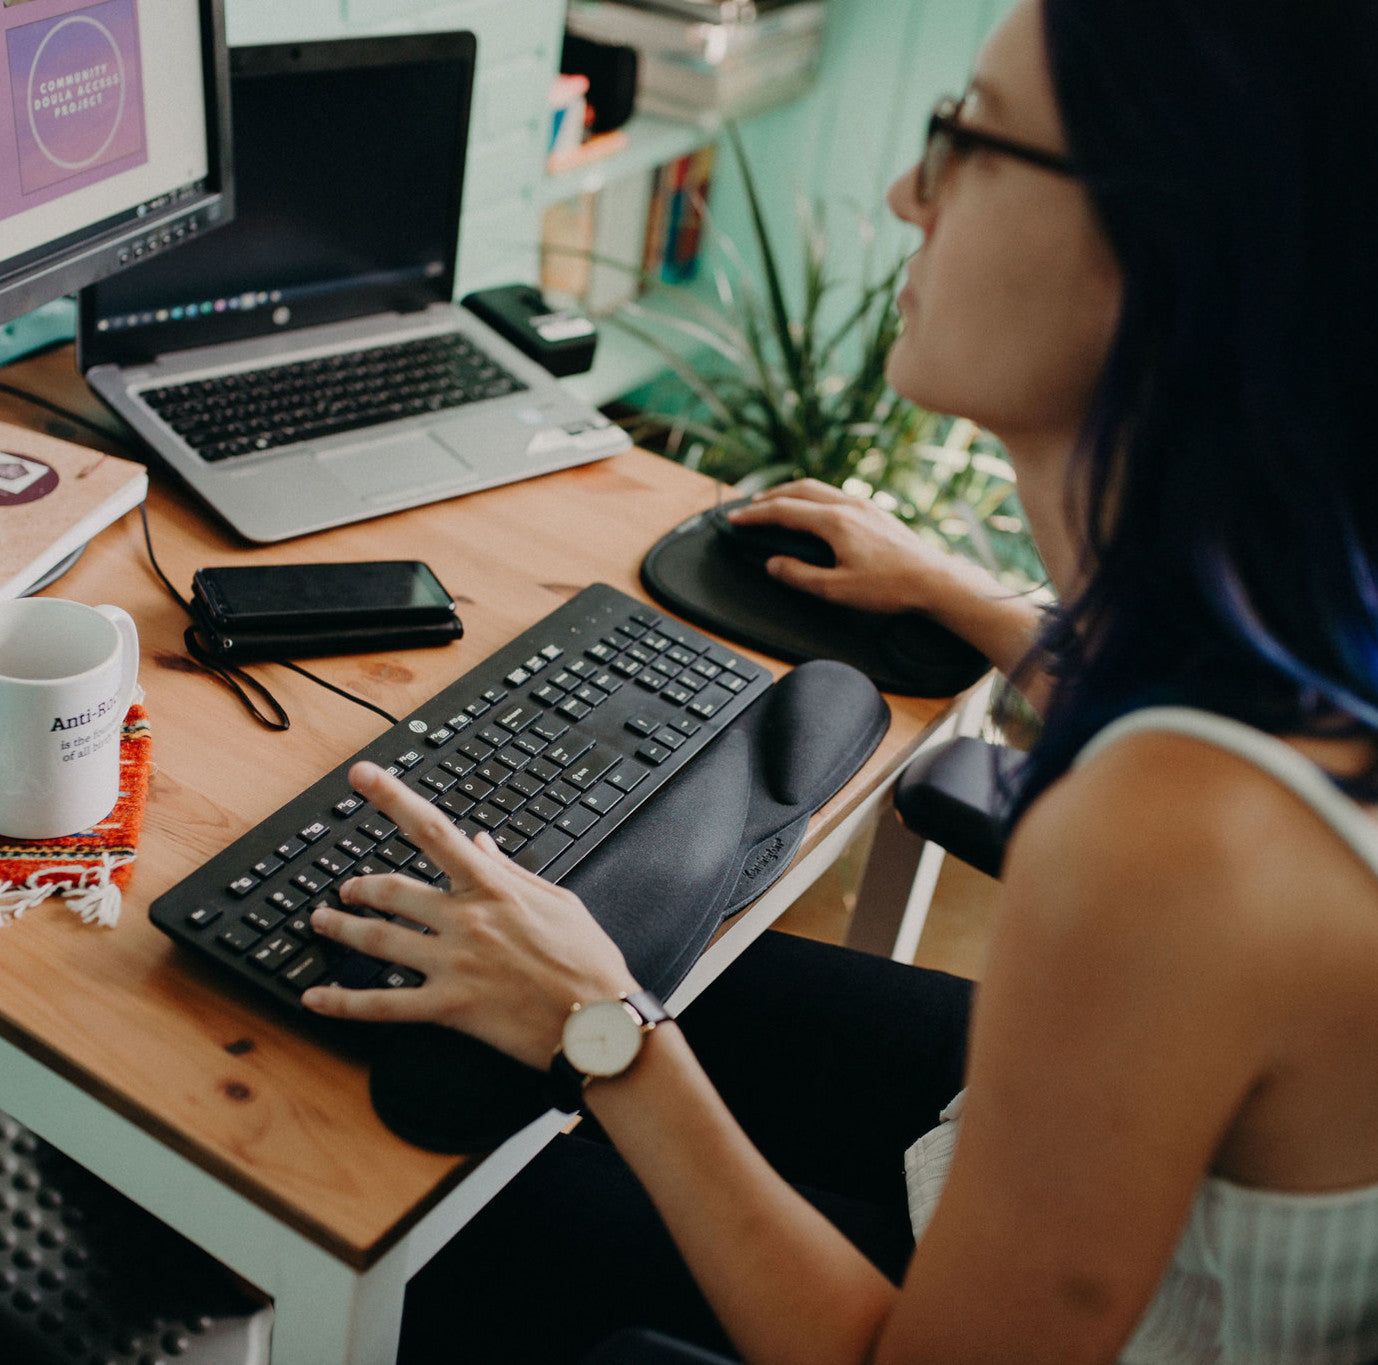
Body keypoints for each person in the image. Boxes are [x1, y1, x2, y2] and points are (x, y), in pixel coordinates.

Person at [301, 0, 1378, 1359]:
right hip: (1054, 1188)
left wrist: (603, 1027)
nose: (899, 194)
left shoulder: (1162, 850)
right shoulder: (1303, 613)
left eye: (962, 141)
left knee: (426, 1231)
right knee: (670, 986)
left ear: (1165, 239)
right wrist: (961, 595)